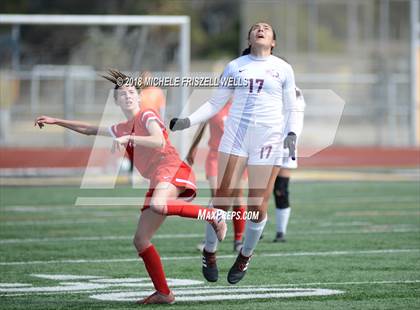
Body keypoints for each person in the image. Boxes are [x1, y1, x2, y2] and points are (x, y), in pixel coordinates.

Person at [34, 69, 228, 304]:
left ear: (138, 97)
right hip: (158, 176)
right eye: (122, 93)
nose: (127, 95)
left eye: (131, 91)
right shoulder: (122, 127)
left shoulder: (147, 115)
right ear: (116, 100)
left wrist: (129, 139)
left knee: (158, 204)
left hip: (171, 167)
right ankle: (164, 293)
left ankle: (213, 215)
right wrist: (56, 121)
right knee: (141, 239)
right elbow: (90, 129)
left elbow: (158, 140)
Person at [170, 22, 305, 284]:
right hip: (236, 137)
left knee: (257, 205)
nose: (261, 29)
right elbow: (214, 103)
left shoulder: (283, 68)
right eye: (256, 27)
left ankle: (245, 255)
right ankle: (210, 251)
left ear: (273, 41)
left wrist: (292, 135)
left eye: (266, 28)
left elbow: (293, 109)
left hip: (269, 139)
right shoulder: (235, 66)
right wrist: (188, 121)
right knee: (221, 200)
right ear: (249, 37)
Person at [186, 99, 246, 253]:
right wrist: (192, 149)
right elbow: (201, 128)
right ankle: (211, 241)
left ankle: (239, 240)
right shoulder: (213, 105)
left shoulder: (243, 104)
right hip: (215, 156)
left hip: (237, 157)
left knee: (238, 197)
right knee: (217, 198)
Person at [273, 87, 305, 243]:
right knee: (260, 190)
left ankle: (281, 232)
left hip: (286, 146)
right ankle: (256, 227)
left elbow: (295, 120)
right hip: (266, 144)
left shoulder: (295, 92)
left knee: (281, 190)